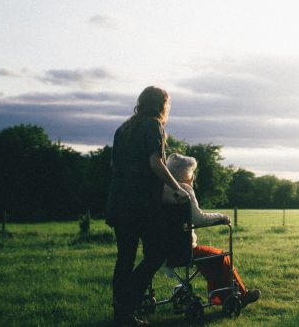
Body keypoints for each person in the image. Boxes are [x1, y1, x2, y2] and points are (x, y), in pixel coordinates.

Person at [106, 86, 188, 326]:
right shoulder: (153, 126)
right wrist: (177, 187)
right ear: (161, 105)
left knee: (125, 258)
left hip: (118, 201)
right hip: (140, 204)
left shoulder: (123, 129)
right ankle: (127, 302)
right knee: (157, 253)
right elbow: (155, 163)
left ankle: (121, 313)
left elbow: (114, 165)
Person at [161, 153, 260, 307]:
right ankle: (240, 295)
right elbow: (198, 219)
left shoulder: (160, 189)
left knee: (209, 258)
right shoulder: (183, 190)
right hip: (183, 249)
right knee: (220, 256)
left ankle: (219, 297)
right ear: (184, 173)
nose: (193, 176)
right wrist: (221, 217)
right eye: (192, 172)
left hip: (162, 249)